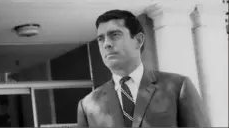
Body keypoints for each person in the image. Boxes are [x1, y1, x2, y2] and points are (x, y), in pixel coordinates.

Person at [77, 9, 209, 127]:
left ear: (139, 40)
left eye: (115, 35)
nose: (106, 44)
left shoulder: (177, 87)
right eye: (101, 39)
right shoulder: (88, 105)